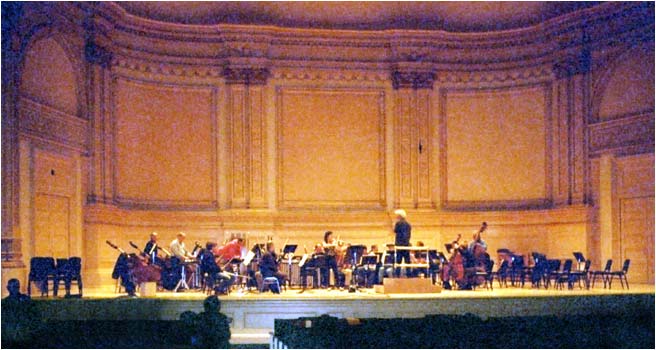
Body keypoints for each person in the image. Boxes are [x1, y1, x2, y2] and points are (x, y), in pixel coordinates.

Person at [393, 209, 411, 277]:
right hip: (406, 245)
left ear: (400, 216)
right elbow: (408, 235)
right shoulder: (408, 224)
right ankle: (409, 275)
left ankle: (397, 276)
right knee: (407, 261)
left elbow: (395, 231)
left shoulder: (398, 223)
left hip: (399, 245)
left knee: (398, 261)